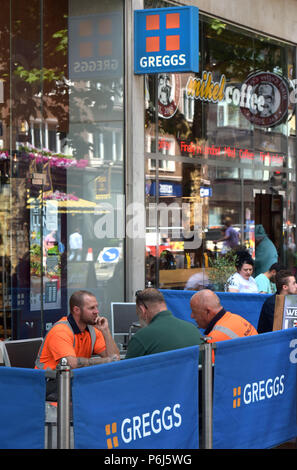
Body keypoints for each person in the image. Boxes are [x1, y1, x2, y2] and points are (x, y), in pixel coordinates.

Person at [35, 290, 120, 399]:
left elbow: (115, 359)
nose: (97, 312)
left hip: (73, 380)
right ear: (76, 310)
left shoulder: (93, 329)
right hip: (48, 383)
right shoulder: (60, 331)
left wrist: (106, 331)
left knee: (110, 387)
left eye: (96, 307)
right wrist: (106, 361)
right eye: (91, 308)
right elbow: (72, 364)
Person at [125, 288, 203, 360]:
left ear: (142, 310)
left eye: (138, 314)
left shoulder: (141, 337)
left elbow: (124, 372)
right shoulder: (194, 330)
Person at [190, 289, 258, 345]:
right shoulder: (237, 318)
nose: (192, 316)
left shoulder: (213, 340)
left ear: (208, 312)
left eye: (194, 312)